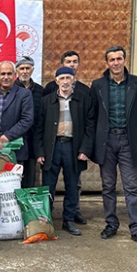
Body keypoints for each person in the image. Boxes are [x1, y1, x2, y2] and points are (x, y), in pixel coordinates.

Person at [90, 46, 137, 248]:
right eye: (111, 59)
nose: (115, 63)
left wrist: (131, 131)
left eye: (119, 58)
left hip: (128, 140)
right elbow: (94, 115)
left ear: (125, 60)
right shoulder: (97, 85)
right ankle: (111, 224)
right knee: (108, 186)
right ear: (106, 63)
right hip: (106, 141)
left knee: (131, 187)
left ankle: (136, 228)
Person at [35, 67, 95, 237]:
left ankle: (68, 220)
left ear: (74, 79)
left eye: (69, 77)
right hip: (51, 148)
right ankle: (47, 219)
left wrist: (85, 150)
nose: (65, 81)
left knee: (72, 185)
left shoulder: (83, 99)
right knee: (48, 186)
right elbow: (38, 128)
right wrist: (40, 151)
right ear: (56, 81)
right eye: (62, 78)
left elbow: (90, 127)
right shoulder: (47, 101)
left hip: (73, 148)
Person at [0, 61, 34, 179]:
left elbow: (27, 119)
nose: (6, 77)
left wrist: (6, 136)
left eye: (9, 74)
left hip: (16, 149)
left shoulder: (24, 94)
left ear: (15, 75)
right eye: (3, 74)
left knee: (15, 185)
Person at [15, 56, 44, 188]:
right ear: (17, 70)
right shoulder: (10, 89)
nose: (25, 71)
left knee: (30, 177)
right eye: (22, 68)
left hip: (33, 140)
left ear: (32, 70)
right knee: (14, 177)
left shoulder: (40, 91)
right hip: (15, 140)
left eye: (27, 68)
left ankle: (28, 206)